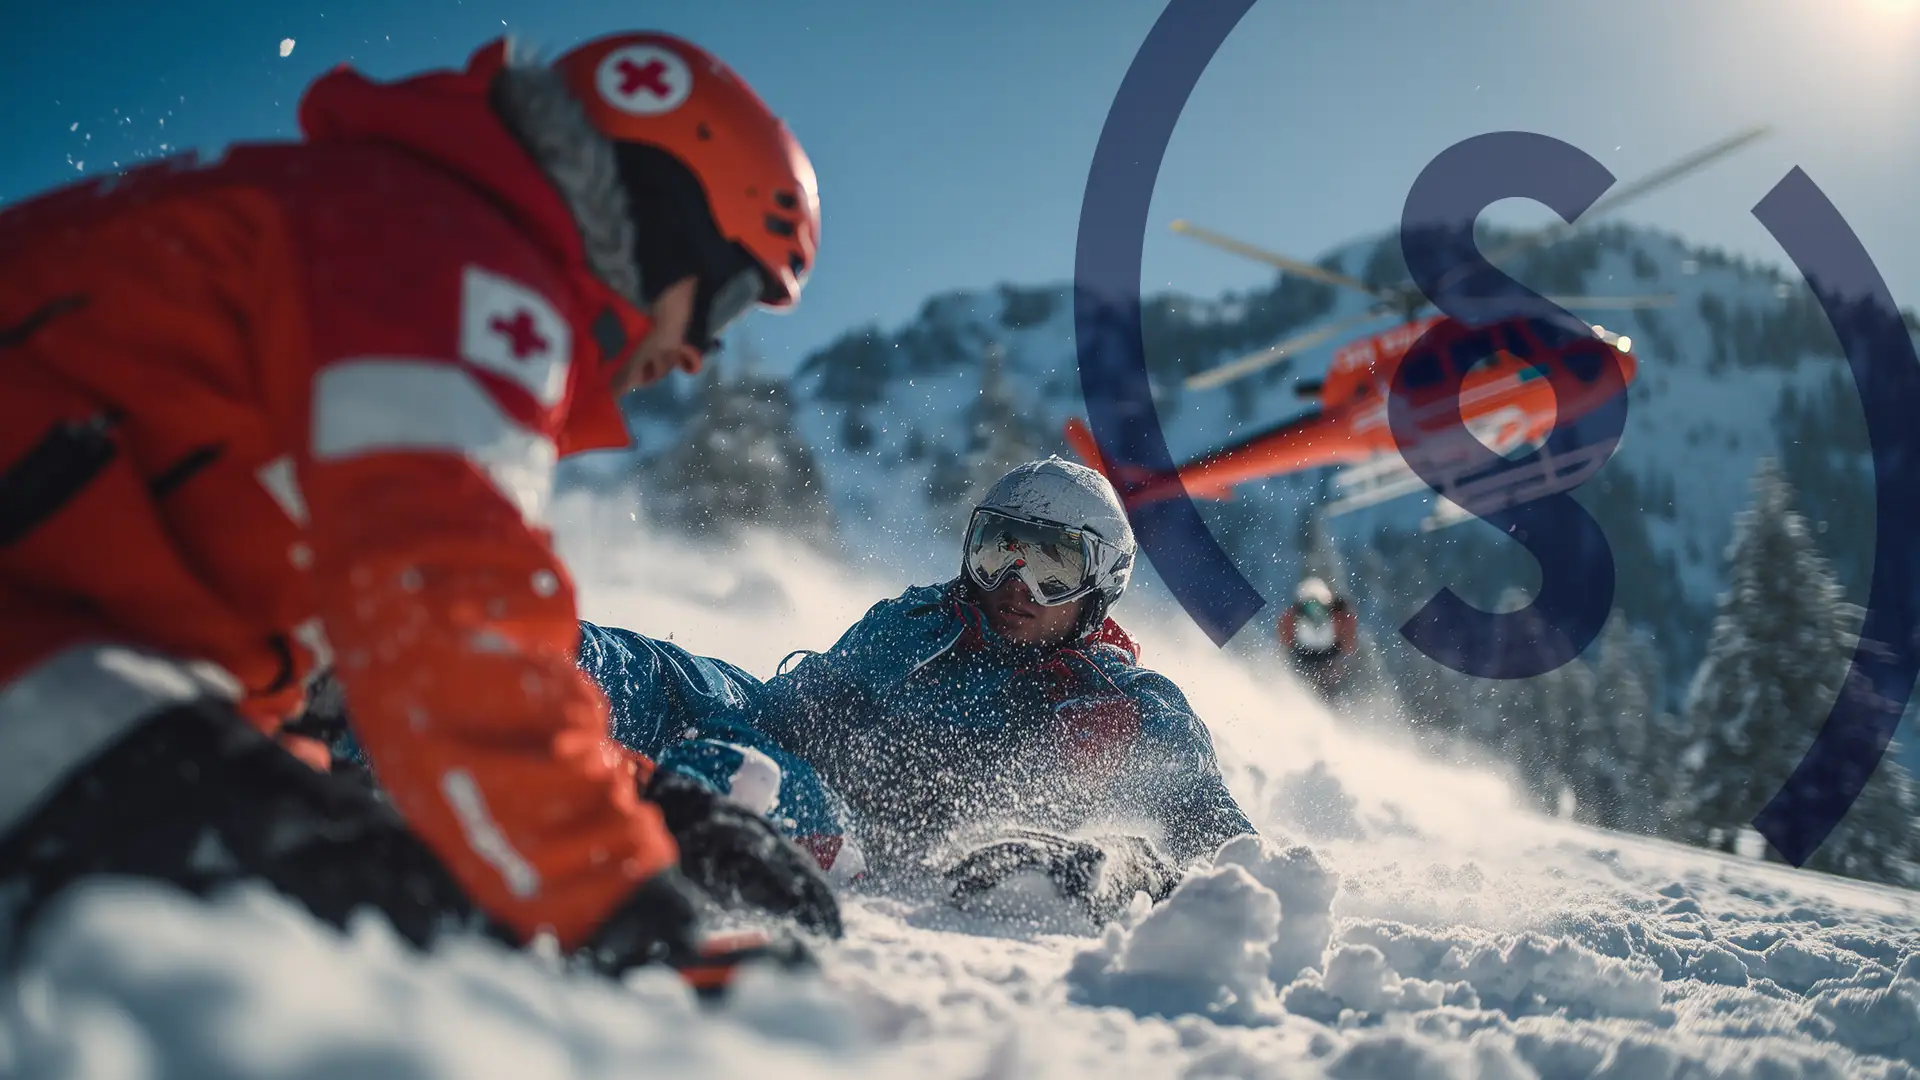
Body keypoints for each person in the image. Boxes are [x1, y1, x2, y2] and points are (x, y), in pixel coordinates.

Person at [0, 29, 839, 982]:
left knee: (357, 877)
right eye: (726, 302)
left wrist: (653, 811)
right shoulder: (446, 257)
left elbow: (384, 663)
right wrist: (614, 902)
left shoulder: (382, 232)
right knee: (379, 947)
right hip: (39, 658)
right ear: (670, 213)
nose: (699, 356)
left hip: (69, 651)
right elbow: (452, 610)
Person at [592, 457, 1259, 924]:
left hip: (835, 828)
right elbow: (787, 708)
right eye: (1000, 551)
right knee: (617, 663)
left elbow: (1232, 860)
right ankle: (502, 665)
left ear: (1101, 582)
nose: (1016, 586)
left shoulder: (1126, 709)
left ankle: (578, 803)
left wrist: (1124, 867)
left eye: (1053, 564)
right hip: (772, 728)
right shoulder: (919, 621)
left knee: (731, 774)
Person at [1277, 577, 1358, 699]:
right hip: (1323, 654)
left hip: (1307, 654)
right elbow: (1348, 639)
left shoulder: (1294, 612)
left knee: (1309, 687)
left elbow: (1285, 637)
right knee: (1325, 690)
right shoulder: (1337, 612)